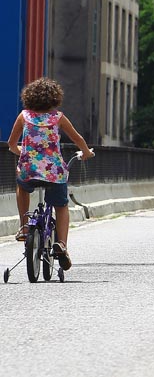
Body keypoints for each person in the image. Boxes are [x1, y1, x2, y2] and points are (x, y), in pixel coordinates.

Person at [7, 77, 95, 271]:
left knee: (22, 184)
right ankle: (61, 244)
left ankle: (24, 226)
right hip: (54, 171)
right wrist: (87, 152)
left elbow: (12, 144)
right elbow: (78, 138)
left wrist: (24, 153)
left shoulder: (24, 116)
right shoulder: (58, 118)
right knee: (61, 206)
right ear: (55, 98)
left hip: (30, 169)